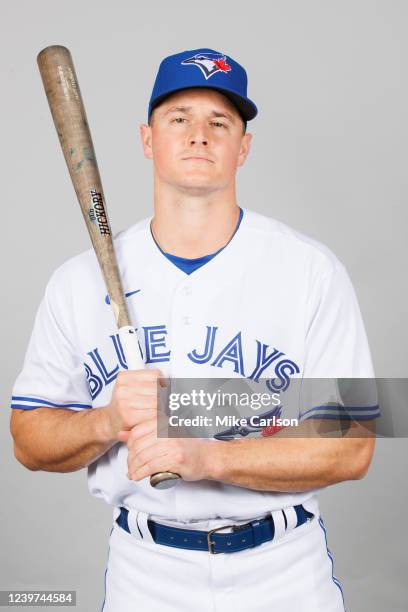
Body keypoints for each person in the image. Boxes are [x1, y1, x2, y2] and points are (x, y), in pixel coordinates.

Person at [10, 48, 379, 611]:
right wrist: (109, 420)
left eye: (220, 122)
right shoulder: (76, 282)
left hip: (282, 571)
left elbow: (352, 442)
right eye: (178, 118)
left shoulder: (309, 271)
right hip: (145, 573)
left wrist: (205, 456)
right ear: (147, 139)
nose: (198, 135)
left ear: (244, 146)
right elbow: (27, 438)